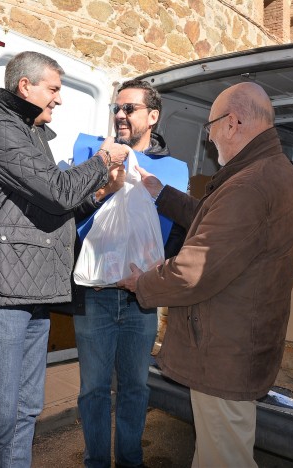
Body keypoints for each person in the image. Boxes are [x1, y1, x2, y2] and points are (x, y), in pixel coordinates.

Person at [118, 82, 293, 467]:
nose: (209, 135)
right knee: (217, 453)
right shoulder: (268, 170)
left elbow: (194, 271)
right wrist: (161, 192)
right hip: (239, 346)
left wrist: (143, 282)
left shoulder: (250, 183)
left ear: (232, 123)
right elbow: (216, 221)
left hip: (226, 351)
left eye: (211, 126)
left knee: (225, 458)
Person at [0, 50, 128, 467]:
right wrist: (103, 159)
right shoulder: (0, 129)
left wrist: (100, 193)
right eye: (53, 89)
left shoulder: (28, 132)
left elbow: (55, 209)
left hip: (29, 289)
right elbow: (58, 191)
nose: (60, 99)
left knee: (25, 409)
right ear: (25, 87)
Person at [73, 79, 185, 468]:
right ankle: (96, 462)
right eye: (116, 108)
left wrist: (160, 273)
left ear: (152, 116)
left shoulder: (172, 170)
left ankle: (131, 460)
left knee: (136, 386)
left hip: (143, 298)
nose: (120, 115)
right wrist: (104, 187)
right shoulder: (94, 155)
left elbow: (180, 231)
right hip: (97, 295)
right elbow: (71, 218)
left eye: (130, 109)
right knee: (93, 389)